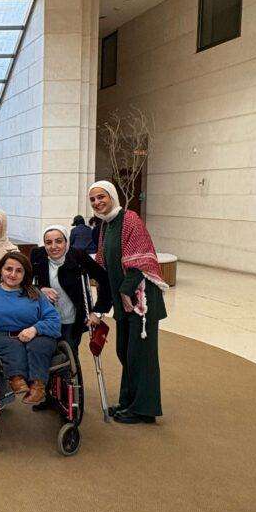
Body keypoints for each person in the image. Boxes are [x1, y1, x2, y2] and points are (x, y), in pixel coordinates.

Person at [88, 180, 167, 424]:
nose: (97, 202)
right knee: (125, 350)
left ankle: (143, 409)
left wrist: (125, 291)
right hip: (124, 300)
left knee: (140, 355)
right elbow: (104, 266)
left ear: (112, 196)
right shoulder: (106, 225)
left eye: (101, 197)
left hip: (141, 299)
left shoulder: (130, 219)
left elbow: (141, 260)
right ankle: (128, 402)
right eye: (93, 199)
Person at [0, 252, 61, 406]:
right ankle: (17, 378)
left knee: (39, 346)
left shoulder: (34, 293)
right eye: (8, 269)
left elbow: (53, 319)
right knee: (10, 346)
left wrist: (35, 329)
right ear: (1, 270)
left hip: (36, 334)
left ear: (25, 274)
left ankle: (38, 386)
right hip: (1, 335)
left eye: (19, 270)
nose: (12, 274)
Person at [30, 224, 112, 384]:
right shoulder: (38, 256)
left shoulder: (78, 256)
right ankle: (48, 391)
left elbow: (105, 280)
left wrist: (98, 311)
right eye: (48, 242)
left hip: (72, 319)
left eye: (58, 241)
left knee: (69, 356)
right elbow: (24, 283)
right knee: (46, 353)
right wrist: (40, 289)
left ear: (66, 242)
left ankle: (71, 392)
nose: (53, 246)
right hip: (46, 319)